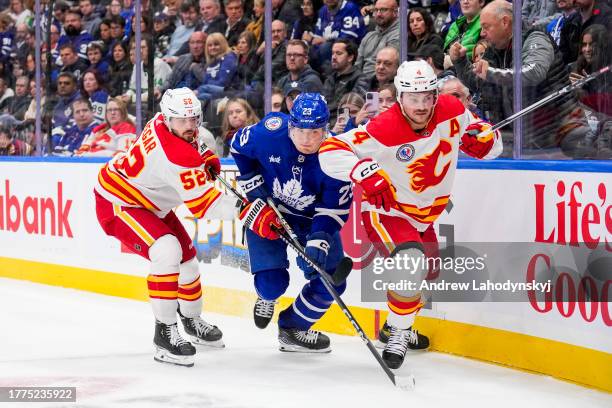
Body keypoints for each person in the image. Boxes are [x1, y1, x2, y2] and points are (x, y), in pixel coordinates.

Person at [319, 60, 502, 369]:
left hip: (424, 216)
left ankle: (393, 325)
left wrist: (484, 142)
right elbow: (330, 150)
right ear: (401, 96)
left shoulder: (452, 110)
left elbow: (492, 144)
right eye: (413, 99)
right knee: (410, 263)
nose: (421, 106)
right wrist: (363, 171)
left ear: (434, 94)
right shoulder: (384, 127)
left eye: (426, 97)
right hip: (387, 211)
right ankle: (400, 334)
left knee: (426, 273)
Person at [94, 87, 280, 367]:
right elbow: (207, 207)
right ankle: (164, 333)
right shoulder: (174, 155)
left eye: (195, 118)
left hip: (149, 202)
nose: (191, 125)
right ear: (169, 119)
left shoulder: (162, 121)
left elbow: (195, 147)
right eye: (184, 120)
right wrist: (249, 211)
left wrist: (204, 156)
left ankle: (191, 320)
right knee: (167, 251)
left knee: (188, 262)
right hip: (118, 202)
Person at [230, 93, 352, 353]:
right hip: (268, 213)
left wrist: (319, 239)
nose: (307, 140)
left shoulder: (337, 156)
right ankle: (266, 297)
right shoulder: (270, 132)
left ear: (326, 129)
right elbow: (238, 147)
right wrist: (253, 185)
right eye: (301, 131)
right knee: (271, 284)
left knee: (332, 282)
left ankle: (292, 328)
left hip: (312, 221)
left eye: (315, 132)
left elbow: (333, 207)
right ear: (290, 126)